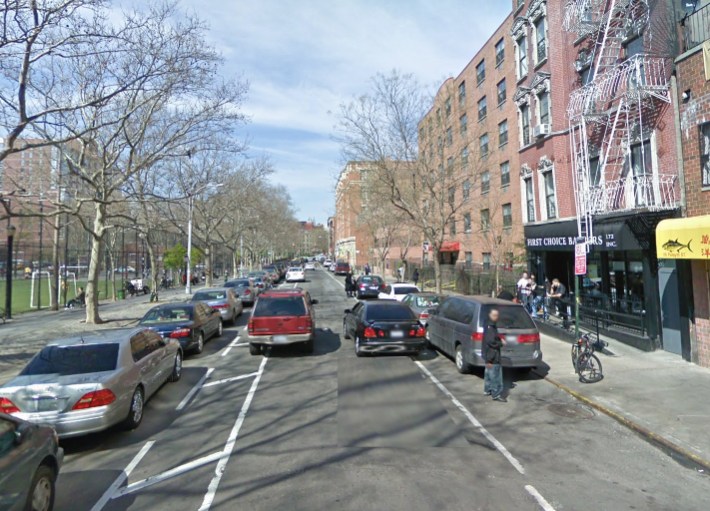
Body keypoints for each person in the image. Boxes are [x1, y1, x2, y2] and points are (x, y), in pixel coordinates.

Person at [483, 308, 507, 402]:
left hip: (489, 355)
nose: (497, 317)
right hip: (493, 355)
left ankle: (487, 390)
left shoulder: (488, 325)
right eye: (495, 315)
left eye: (497, 315)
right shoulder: (491, 327)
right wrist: (501, 343)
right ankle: (496, 394)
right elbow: (491, 341)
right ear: (491, 315)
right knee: (496, 375)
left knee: (489, 373)